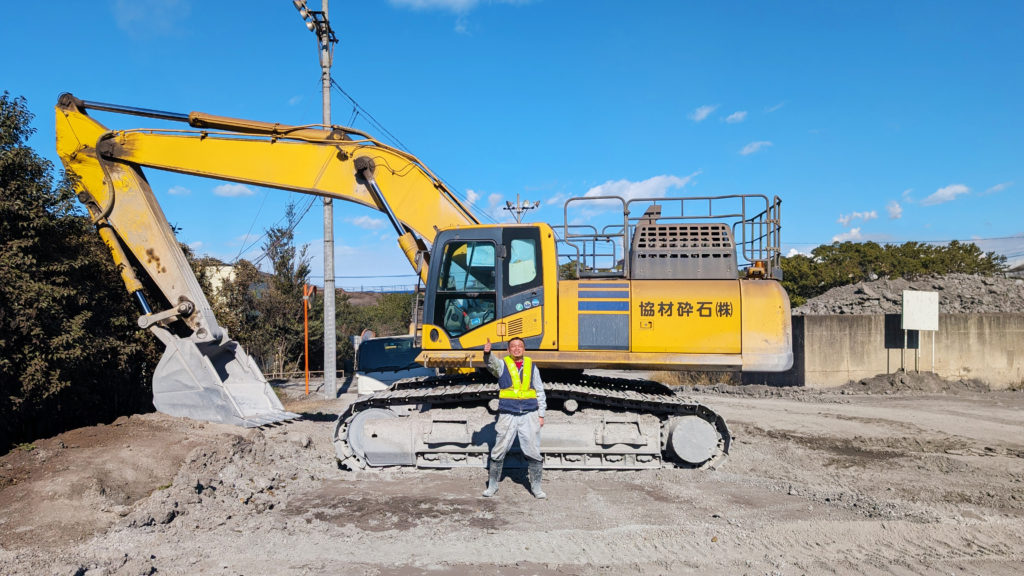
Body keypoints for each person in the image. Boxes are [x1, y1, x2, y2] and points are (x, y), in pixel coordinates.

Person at [481, 336, 547, 499]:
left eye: (520, 346)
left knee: (533, 450)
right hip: (508, 414)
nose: (517, 348)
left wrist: (541, 414)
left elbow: (539, 391)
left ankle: (536, 487)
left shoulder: (532, 366)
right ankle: (493, 485)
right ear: (509, 350)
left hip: (529, 414)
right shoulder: (503, 364)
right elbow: (492, 365)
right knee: (499, 449)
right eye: (513, 346)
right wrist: (487, 354)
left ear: (523, 349)